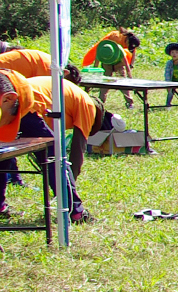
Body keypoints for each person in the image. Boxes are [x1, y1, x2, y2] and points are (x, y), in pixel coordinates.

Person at [0, 70, 104, 222]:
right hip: (24, 103)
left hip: (21, 100)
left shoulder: (75, 99)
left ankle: (0, 207)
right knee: (54, 157)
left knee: (6, 156)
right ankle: (75, 212)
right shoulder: (87, 106)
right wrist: (69, 178)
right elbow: (76, 151)